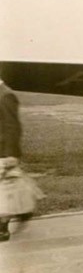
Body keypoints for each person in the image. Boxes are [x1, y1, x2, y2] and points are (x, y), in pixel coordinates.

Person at [0, 79, 25, 241]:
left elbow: (12, 126)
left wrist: (11, 154)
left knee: (4, 192)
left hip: (2, 151)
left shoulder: (6, 95)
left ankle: (2, 229)